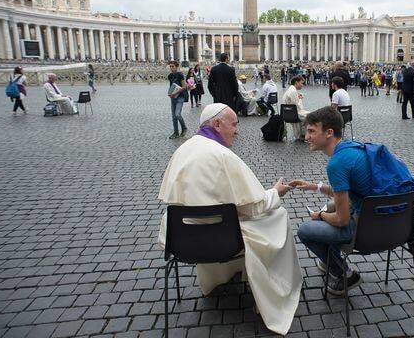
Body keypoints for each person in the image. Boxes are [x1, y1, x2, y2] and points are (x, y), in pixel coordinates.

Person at [157, 103, 302, 336]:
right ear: (216, 124)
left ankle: (221, 274)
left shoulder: (183, 149)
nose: (237, 131)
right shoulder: (223, 155)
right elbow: (255, 206)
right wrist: (276, 191)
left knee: (225, 220)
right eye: (234, 124)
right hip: (224, 240)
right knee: (279, 215)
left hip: (182, 240)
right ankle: (278, 287)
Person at [290, 106, 371, 294]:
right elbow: (348, 194)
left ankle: (345, 274)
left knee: (305, 230)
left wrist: (321, 215)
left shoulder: (336, 163)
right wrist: (314, 186)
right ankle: (331, 260)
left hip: (366, 231)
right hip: (394, 224)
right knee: (332, 206)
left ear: (329, 133)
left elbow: (341, 220)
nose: (306, 136)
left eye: (311, 131)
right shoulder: (355, 148)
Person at [167, 61, 188, 139]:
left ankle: (184, 128)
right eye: (170, 66)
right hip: (173, 97)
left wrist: (176, 91)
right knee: (173, 116)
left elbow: (184, 86)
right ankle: (176, 132)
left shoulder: (180, 75)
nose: (171, 68)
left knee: (177, 114)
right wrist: (170, 93)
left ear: (176, 67)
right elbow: (171, 86)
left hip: (180, 97)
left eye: (173, 66)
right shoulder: (170, 76)